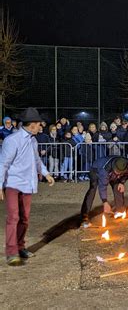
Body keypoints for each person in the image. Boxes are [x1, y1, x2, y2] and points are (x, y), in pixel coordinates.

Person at [0, 108, 55, 266]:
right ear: (31, 125)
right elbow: (3, 163)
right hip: (12, 184)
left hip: (27, 184)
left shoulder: (33, 140)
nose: (41, 126)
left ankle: (20, 246)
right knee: (13, 217)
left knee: (24, 218)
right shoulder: (12, 140)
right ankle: (11, 252)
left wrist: (46, 173)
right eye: (39, 124)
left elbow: (37, 161)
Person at [80, 156, 128, 227]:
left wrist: (122, 182)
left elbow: (126, 174)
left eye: (120, 173)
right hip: (96, 170)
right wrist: (105, 202)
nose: (118, 174)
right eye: (117, 172)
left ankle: (119, 210)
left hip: (111, 173)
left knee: (118, 187)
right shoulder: (104, 171)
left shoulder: (126, 165)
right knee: (92, 189)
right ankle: (84, 216)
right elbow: (102, 186)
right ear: (114, 167)